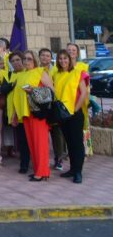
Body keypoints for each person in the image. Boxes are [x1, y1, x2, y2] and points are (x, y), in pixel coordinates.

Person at [54, 49, 88, 184]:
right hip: (62, 114)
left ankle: (78, 172)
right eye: (60, 58)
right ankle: (73, 169)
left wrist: (75, 110)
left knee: (77, 144)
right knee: (69, 143)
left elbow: (84, 92)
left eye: (65, 58)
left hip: (74, 113)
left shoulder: (78, 73)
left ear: (70, 59)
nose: (63, 61)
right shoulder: (57, 75)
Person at [19, 51, 53, 182]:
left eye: (29, 59)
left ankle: (42, 171)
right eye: (24, 59)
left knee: (40, 143)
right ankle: (38, 170)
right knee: (32, 143)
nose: (26, 61)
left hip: (38, 112)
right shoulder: (22, 74)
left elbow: (51, 90)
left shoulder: (40, 71)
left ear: (34, 60)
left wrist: (34, 90)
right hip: (27, 113)